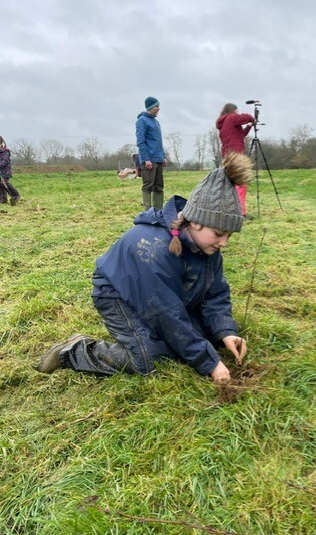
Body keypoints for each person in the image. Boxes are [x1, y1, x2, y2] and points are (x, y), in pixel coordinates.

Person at [35, 153, 253, 384]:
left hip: (159, 297)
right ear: (196, 221)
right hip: (117, 294)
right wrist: (209, 363)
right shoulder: (155, 248)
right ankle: (74, 350)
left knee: (201, 335)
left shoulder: (208, 247)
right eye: (219, 234)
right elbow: (166, 314)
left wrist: (225, 331)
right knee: (146, 358)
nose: (224, 243)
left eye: (229, 236)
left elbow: (215, 293)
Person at [216, 103, 256, 218]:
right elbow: (247, 117)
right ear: (232, 110)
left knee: (231, 183)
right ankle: (240, 213)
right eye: (236, 111)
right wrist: (253, 119)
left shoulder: (224, 123)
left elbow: (240, 135)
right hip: (236, 155)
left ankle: (228, 210)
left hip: (227, 156)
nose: (237, 113)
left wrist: (249, 126)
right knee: (241, 183)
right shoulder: (232, 117)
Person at [136, 96, 166, 210]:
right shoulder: (141, 121)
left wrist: (162, 156)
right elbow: (141, 141)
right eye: (156, 106)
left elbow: (158, 141)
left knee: (159, 187)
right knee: (148, 186)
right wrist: (146, 159)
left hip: (158, 159)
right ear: (150, 107)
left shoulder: (156, 122)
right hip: (149, 160)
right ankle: (148, 213)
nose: (159, 108)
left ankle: (158, 212)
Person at [0, 136, 21, 206]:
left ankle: (16, 195)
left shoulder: (5, 151)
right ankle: (3, 199)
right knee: (0, 185)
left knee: (4, 183)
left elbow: (5, 161)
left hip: (4, 171)